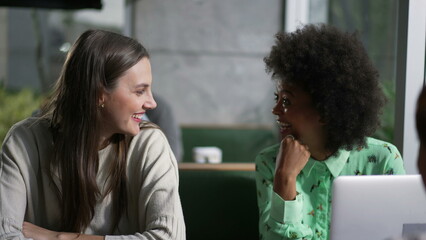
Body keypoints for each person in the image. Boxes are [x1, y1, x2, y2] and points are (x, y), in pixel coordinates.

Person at [0, 30, 186, 240]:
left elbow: (169, 237)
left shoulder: (150, 144)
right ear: (99, 95)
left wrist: (61, 237)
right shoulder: (24, 141)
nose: (152, 103)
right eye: (140, 91)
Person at [255, 24, 406, 240]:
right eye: (276, 98)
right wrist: (285, 177)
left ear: (325, 110)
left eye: (287, 100)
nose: (276, 110)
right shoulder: (270, 162)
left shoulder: (383, 159)